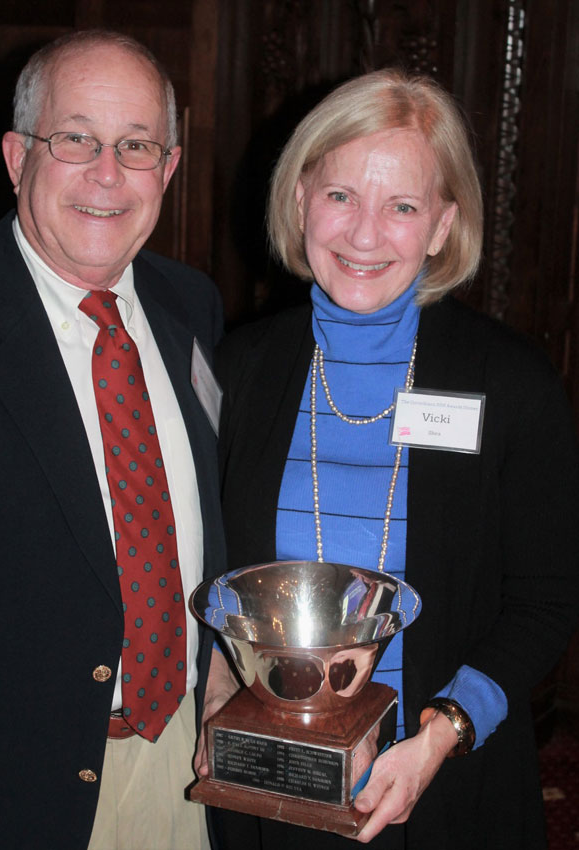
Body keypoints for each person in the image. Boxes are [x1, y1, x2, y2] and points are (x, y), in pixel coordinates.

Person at [204, 69, 579, 849]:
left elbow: (546, 600)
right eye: (341, 195)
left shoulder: (509, 383)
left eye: (402, 206)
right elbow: (211, 579)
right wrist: (215, 703)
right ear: (301, 196)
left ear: (443, 225)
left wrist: (441, 733)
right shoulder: (240, 369)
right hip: (271, 788)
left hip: (444, 785)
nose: (364, 234)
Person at [0, 29, 226, 850]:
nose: (107, 173)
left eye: (136, 145)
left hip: (179, 759)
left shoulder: (190, 308)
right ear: (14, 156)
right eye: (74, 138)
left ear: (169, 169)